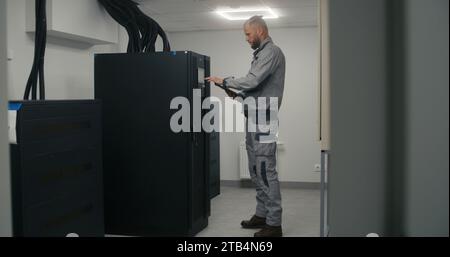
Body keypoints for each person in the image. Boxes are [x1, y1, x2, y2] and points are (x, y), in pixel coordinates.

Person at [206, 15, 286, 237]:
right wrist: (234, 91)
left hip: (264, 118)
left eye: (248, 34)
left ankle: (274, 223)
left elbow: (252, 80)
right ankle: (262, 214)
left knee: (264, 168)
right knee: (255, 168)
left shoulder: (271, 52)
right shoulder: (261, 54)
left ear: (260, 31)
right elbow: (256, 88)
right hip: (254, 116)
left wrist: (226, 81)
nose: (247, 39)